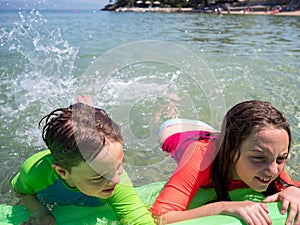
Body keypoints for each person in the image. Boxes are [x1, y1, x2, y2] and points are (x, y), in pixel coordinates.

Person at [11, 95, 156, 225]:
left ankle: (87, 114)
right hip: (64, 158)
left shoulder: (114, 178)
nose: (116, 180)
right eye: (98, 177)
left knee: (98, 135)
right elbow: (21, 192)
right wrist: (40, 211)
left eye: (119, 166)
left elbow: (139, 219)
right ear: (62, 172)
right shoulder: (35, 172)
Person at [151, 100, 300, 225]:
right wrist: (223, 207)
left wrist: (294, 190)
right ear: (229, 150)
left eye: (281, 158)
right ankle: (167, 108)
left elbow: (290, 186)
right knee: (167, 118)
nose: (274, 170)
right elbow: (160, 216)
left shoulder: (270, 155)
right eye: (258, 158)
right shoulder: (201, 158)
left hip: (218, 136)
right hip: (175, 131)